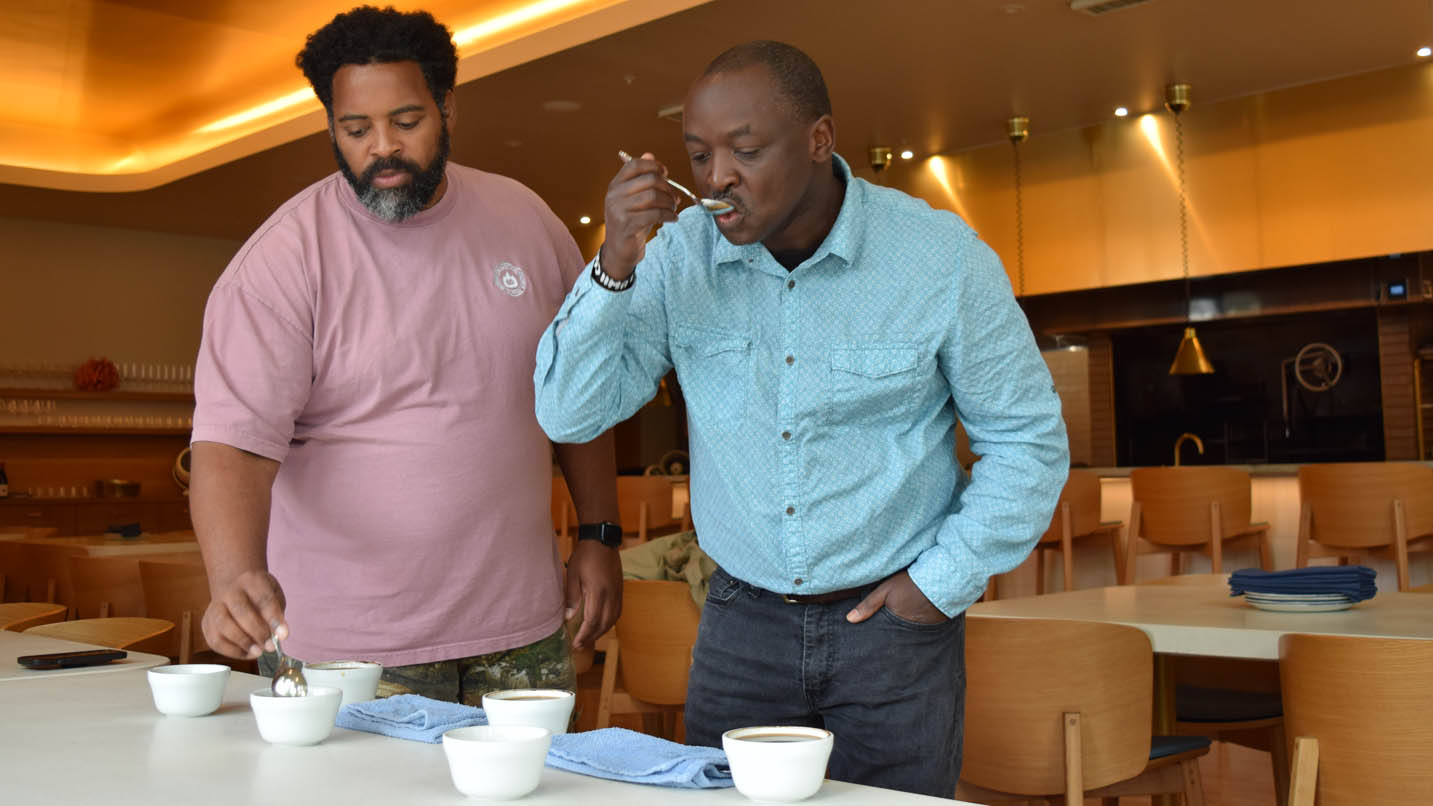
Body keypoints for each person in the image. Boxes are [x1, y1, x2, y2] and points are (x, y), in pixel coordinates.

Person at [534, 41, 1068, 796]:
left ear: (819, 139)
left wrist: (936, 585)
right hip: (738, 624)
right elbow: (569, 408)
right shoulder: (677, 258)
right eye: (698, 155)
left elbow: (1026, 441)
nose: (717, 177)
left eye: (744, 150)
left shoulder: (939, 259)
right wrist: (614, 261)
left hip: (893, 627)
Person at [190, 6, 622, 705]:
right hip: (347, 650)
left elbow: (579, 390)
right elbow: (233, 445)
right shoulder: (282, 261)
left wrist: (599, 532)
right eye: (354, 130)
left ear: (447, 108)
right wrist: (232, 575)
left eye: (406, 122)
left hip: (521, 629)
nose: (381, 148)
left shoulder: (527, 221)